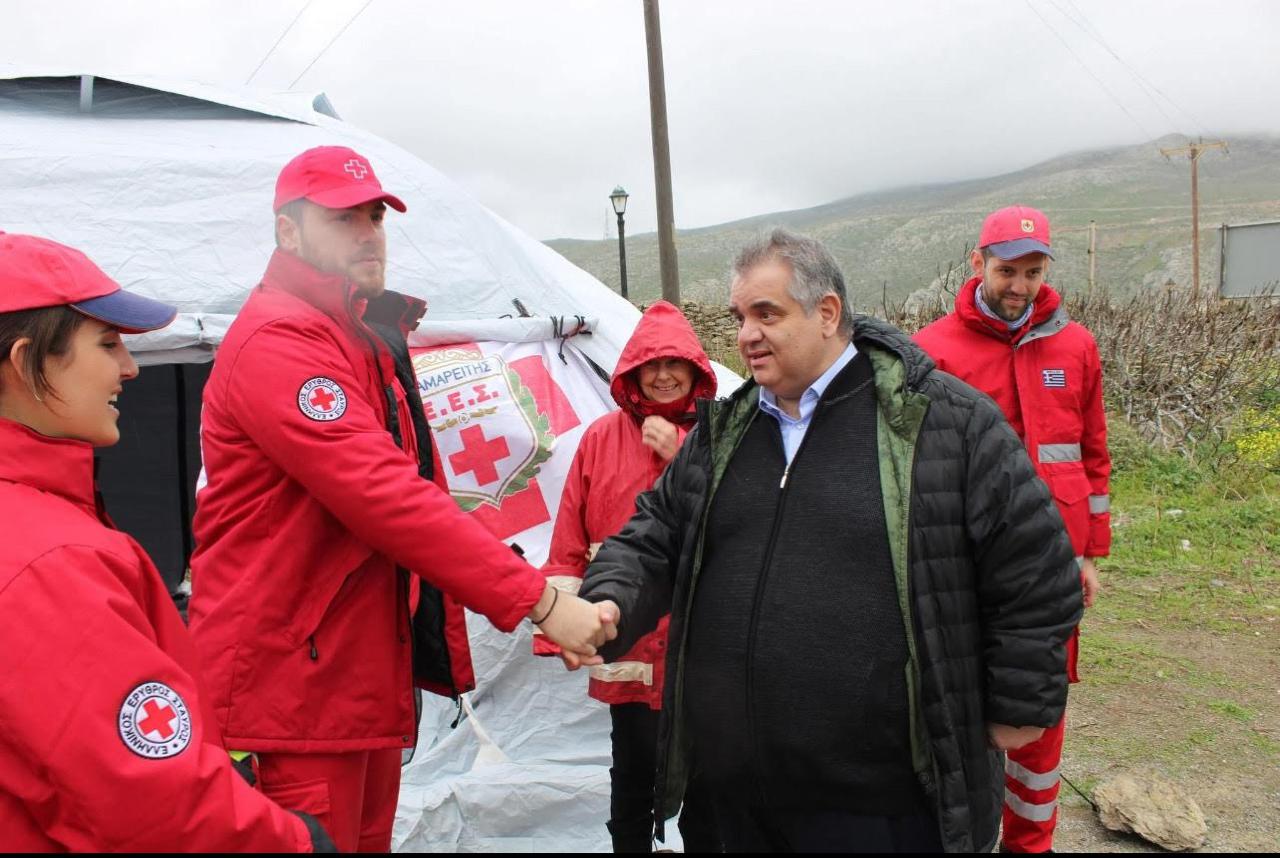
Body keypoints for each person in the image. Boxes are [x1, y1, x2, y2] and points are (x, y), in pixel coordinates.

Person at [574, 228, 1084, 853]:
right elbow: (653, 535)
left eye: (767, 314)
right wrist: (611, 599)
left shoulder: (941, 421)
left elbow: (1036, 564)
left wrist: (1018, 703)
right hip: (729, 798)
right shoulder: (727, 430)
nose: (746, 334)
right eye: (740, 317)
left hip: (878, 808)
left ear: (827, 312)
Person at [187, 146, 615, 852]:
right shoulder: (280, 341)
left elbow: (406, 489)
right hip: (289, 693)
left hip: (346, 679)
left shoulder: (355, 336)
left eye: (376, 215)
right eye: (343, 217)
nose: (368, 232)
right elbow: (384, 495)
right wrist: (537, 601)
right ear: (288, 233)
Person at [0, 232, 334, 851]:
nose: (130, 367)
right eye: (107, 344)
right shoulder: (51, 561)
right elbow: (148, 799)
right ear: (25, 364)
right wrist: (295, 841)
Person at [914, 205, 1110, 853]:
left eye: (1032, 270)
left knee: (1041, 713)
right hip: (967, 570)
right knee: (966, 703)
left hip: (1052, 572)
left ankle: (1032, 843)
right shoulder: (932, 353)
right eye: (1006, 270)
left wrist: (1089, 554)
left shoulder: (1076, 347)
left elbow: (1091, 456)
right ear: (977, 265)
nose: (1019, 285)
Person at [537, 300, 719, 852]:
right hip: (630, 646)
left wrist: (687, 454)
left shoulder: (722, 433)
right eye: (651, 364)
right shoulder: (599, 439)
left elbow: (748, 515)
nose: (663, 375)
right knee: (632, 783)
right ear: (633, 370)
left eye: (675, 363)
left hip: (705, 652)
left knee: (710, 797)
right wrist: (560, 628)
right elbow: (569, 535)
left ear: (695, 368)